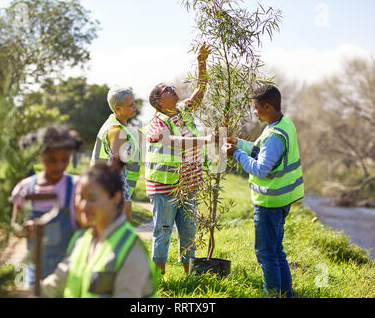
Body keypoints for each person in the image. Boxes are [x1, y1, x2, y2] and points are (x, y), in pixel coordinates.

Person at [223, 84, 304, 298]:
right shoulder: (283, 123)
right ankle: (287, 294)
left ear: (267, 106)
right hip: (281, 198)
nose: (254, 112)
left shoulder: (276, 135)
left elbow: (260, 168)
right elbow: (261, 151)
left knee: (266, 254)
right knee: (277, 250)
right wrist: (238, 143)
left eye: (256, 108)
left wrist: (236, 154)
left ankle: (273, 294)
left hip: (270, 202)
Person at [142, 43, 215, 275]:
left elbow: (200, 92)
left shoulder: (183, 110)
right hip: (164, 188)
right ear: (159, 101)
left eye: (172, 87)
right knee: (163, 230)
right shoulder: (157, 122)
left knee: (189, 230)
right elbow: (172, 141)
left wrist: (201, 63)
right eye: (167, 90)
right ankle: (159, 279)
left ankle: (189, 276)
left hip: (188, 185)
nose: (173, 89)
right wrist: (204, 141)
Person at [33, 163, 158, 298]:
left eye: (92, 198)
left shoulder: (130, 249)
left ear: (115, 198)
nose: (83, 205)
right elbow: (54, 286)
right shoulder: (81, 240)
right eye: (80, 196)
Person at [11, 125, 82, 286]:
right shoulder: (25, 189)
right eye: (52, 160)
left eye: (65, 159)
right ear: (39, 155)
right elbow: (14, 224)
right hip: (35, 271)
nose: (59, 166)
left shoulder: (76, 187)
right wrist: (22, 229)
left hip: (68, 272)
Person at [90, 87, 140, 222]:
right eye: (131, 105)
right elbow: (116, 168)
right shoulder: (116, 130)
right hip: (112, 192)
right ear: (118, 108)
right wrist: (124, 200)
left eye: (134, 102)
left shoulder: (122, 127)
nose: (135, 106)